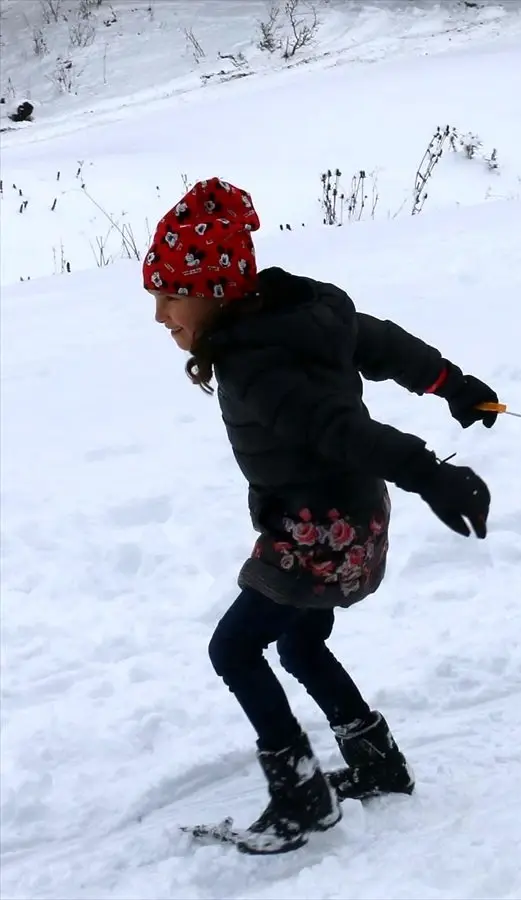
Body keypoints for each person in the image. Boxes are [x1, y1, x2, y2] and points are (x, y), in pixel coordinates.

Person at [143, 177, 500, 855]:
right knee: (301, 644)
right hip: (354, 522)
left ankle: (301, 794)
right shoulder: (304, 313)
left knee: (234, 649)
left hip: (314, 536)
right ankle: (376, 762)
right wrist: (453, 385)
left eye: (169, 295)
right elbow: (385, 345)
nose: (161, 314)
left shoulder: (256, 368)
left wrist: (433, 475)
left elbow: (341, 430)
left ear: (215, 291)